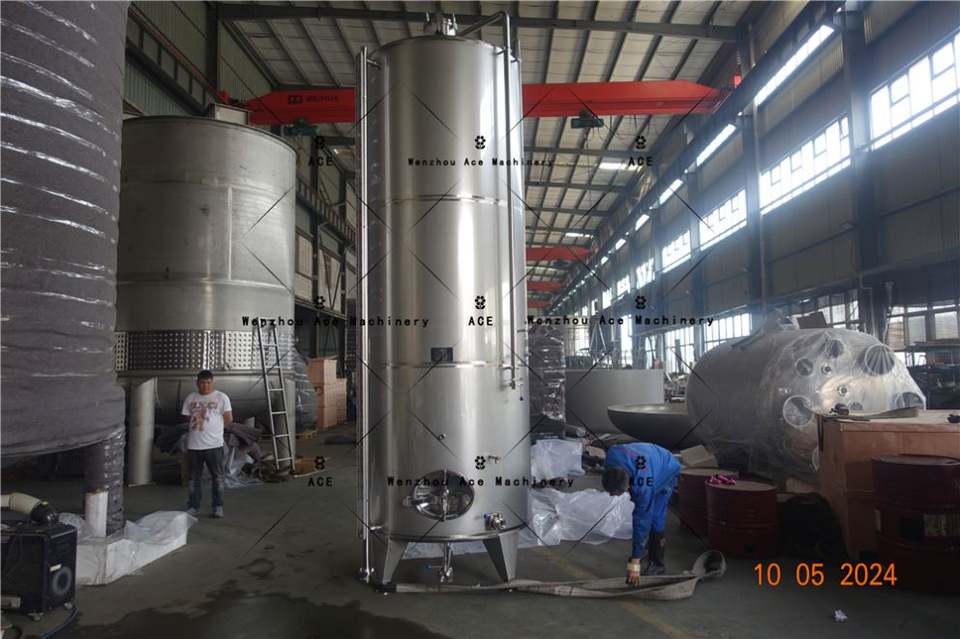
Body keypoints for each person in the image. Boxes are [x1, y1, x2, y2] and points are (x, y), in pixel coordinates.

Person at [602, 442, 681, 584]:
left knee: (655, 517)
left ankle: (657, 564)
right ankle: (644, 551)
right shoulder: (611, 457)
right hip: (651, 456)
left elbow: (641, 520)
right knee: (646, 513)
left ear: (628, 485)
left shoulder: (643, 486)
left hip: (667, 468)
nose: (612, 495)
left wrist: (635, 562)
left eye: (619, 492)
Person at [181, 370, 233, 518]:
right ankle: (193, 506)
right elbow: (186, 417)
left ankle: (217, 506)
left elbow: (228, 418)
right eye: (203, 383)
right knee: (194, 478)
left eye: (208, 382)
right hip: (194, 445)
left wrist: (215, 429)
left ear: (212, 382)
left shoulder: (221, 397)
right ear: (197, 383)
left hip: (214, 445)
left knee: (217, 477)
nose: (206, 385)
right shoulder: (191, 397)